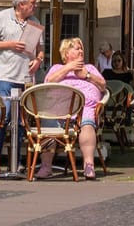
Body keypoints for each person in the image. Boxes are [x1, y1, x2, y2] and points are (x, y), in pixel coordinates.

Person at [0, 0, 44, 173]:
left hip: (26, 78)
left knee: (20, 122)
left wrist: (39, 60)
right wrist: (8, 44)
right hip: (6, 77)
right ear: (21, 4)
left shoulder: (34, 21)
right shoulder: (2, 17)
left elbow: (41, 48)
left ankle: (16, 162)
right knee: (2, 117)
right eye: (32, 3)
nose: (35, 6)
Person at [37, 37, 106, 180]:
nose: (81, 51)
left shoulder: (91, 68)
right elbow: (48, 82)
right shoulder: (57, 68)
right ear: (66, 53)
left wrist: (86, 75)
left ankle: (88, 165)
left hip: (85, 107)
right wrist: (69, 68)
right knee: (48, 123)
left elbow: (103, 85)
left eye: (82, 48)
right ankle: (46, 166)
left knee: (87, 123)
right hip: (59, 110)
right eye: (77, 48)